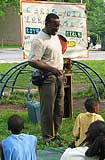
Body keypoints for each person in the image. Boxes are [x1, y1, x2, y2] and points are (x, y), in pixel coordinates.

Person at [28, 13, 65, 143]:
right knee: (48, 109)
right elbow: (33, 61)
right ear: (46, 23)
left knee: (59, 108)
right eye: (54, 26)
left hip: (59, 76)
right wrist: (52, 69)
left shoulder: (54, 37)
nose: (56, 29)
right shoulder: (39, 40)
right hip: (48, 78)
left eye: (58, 26)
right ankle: (48, 137)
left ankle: (57, 133)